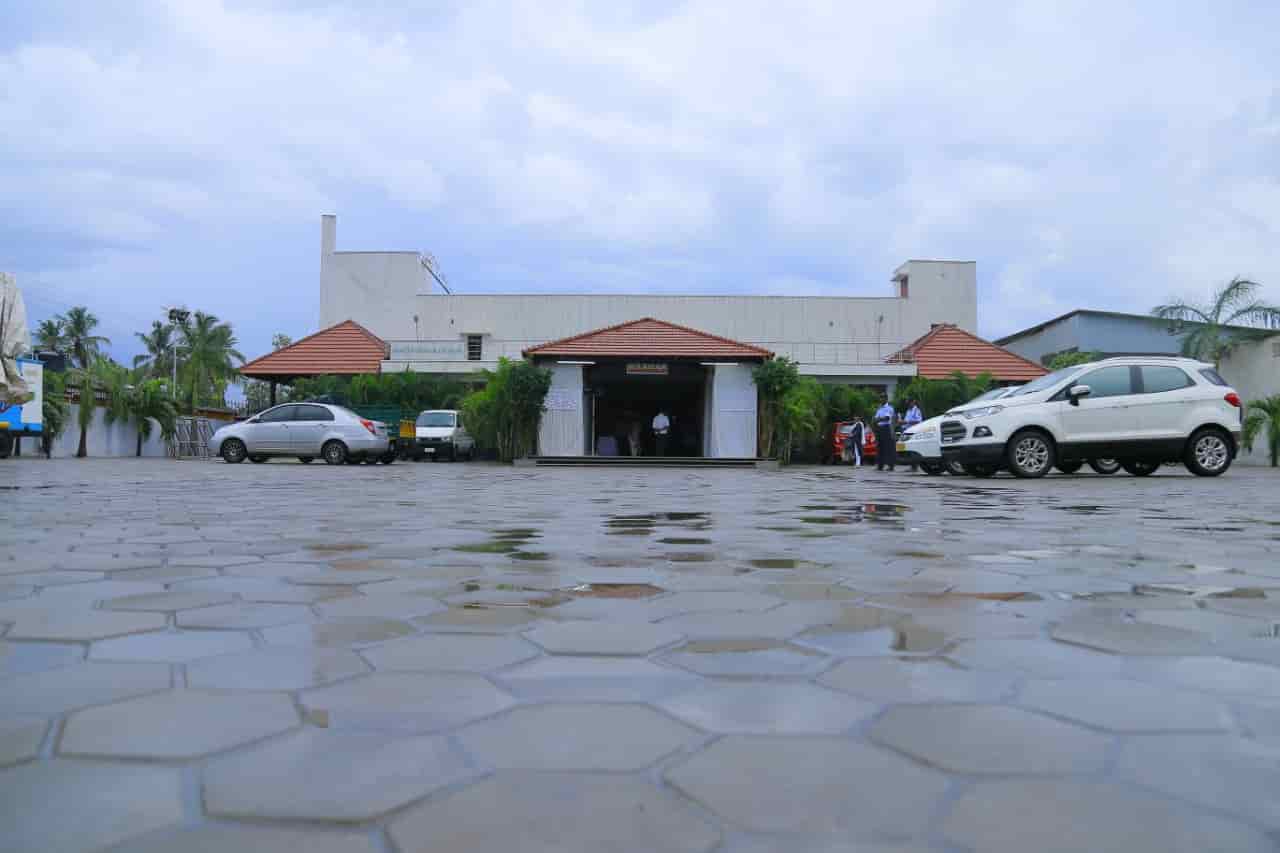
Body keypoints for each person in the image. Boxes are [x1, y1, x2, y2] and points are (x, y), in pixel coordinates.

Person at [874, 397, 897, 471]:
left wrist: (879, 419)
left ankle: (891, 465)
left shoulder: (889, 408)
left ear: (886, 399)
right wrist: (879, 419)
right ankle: (880, 465)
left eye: (882, 398)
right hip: (879, 428)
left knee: (888, 447)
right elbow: (875, 418)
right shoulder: (879, 408)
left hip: (887, 428)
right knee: (880, 447)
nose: (881, 400)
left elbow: (887, 418)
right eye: (880, 398)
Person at [902, 399, 923, 471]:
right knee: (909, 449)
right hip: (907, 431)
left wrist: (906, 422)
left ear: (913, 402)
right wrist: (902, 423)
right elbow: (906, 421)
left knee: (913, 449)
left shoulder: (916, 410)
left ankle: (915, 466)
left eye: (909, 403)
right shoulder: (908, 411)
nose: (908, 405)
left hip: (914, 431)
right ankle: (912, 466)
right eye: (907, 404)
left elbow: (918, 421)